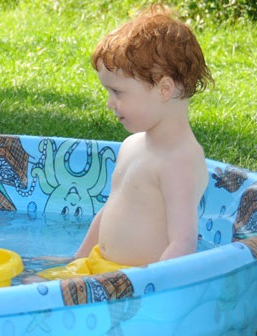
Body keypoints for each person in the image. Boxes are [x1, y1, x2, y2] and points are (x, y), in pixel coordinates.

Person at [37, 4, 212, 280]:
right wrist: (78, 258)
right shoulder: (132, 145)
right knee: (32, 284)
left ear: (164, 89)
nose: (110, 103)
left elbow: (183, 244)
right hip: (99, 265)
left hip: (133, 280)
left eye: (117, 92)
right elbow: (111, 208)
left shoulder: (180, 161)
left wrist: (147, 287)